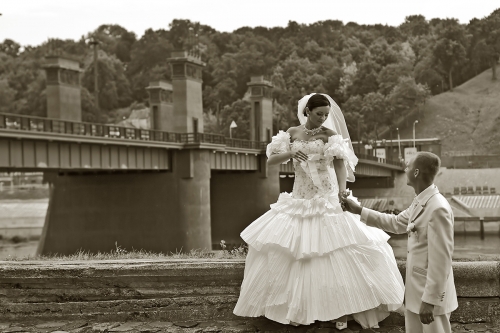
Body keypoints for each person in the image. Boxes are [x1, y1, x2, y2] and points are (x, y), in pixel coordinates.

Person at [233, 93, 404, 330]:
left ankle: (342, 310)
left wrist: (343, 192)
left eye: (326, 114)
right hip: (300, 199)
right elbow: (271, 161)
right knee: (298, 255)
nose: (323, 118)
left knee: (336, 253)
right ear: (307, 112)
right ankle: (300, 308)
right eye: (319, 114)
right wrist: (291, 153)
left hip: (327, 197)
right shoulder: (292, 133)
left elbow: (340, 165)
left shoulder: (330, 136)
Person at [344, 152, 458, 333]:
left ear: (416, 172)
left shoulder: (438, 208)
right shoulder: (420, 201)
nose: (405, 169)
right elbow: (395, 223)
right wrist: (359, 210)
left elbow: (442, 260)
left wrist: (430, 300)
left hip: (429, 298)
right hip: (415, 294)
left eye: (408, 166)